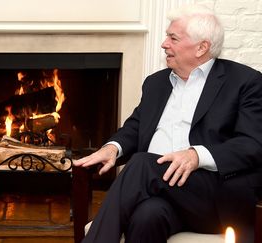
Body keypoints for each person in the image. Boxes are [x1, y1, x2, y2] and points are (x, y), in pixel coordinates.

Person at [74, 4, 262, 243]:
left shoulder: (245, 82)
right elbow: (135, 126)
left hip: (212, 195)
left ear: (201, 47)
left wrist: (197, 155)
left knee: (142, 164)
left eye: (173, 38)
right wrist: (113, 148)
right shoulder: (156, 83)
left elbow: (253, 143)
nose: (164, 44)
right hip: (163, 194)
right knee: (147, 216)